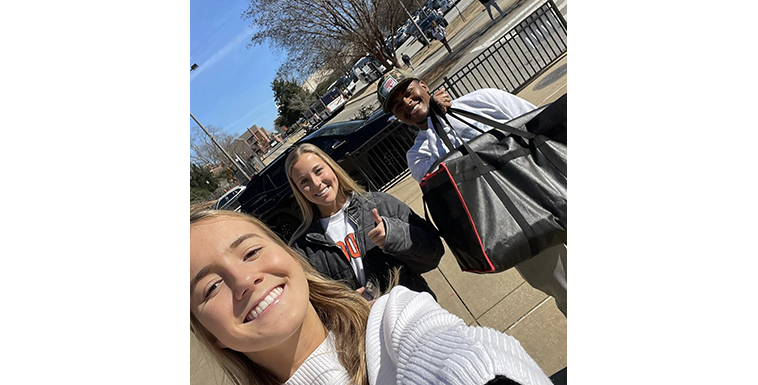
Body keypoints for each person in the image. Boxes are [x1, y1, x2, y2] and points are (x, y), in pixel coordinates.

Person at [190, 209, 555, 385]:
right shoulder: (310, 238)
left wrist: (393, 237)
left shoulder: (395, 320)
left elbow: (463, 354)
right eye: (210, 288)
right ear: (211, 336)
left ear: (291, 260)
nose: (244, 280)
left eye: (251, 252)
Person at [376, 68, 567, 316]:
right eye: (397, 105)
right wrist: (435, 120)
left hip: (552, 189)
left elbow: (538, 127)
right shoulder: (418, 155)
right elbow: (445, 186)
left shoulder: (484, 100)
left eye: (408, 92)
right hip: (515, 225)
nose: (406, 103)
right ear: (396, 117)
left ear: (423, 85)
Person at [284, 143, 444, 298]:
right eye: (304, 181)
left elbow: (434, 253)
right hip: (364, 325)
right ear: (298, 191)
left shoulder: (380, 204)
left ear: (331, 167)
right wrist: (350, 307)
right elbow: (313, 307)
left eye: (318, 171)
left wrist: (394, 236)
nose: (316, 183)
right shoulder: (303, 248)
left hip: (415, 315)